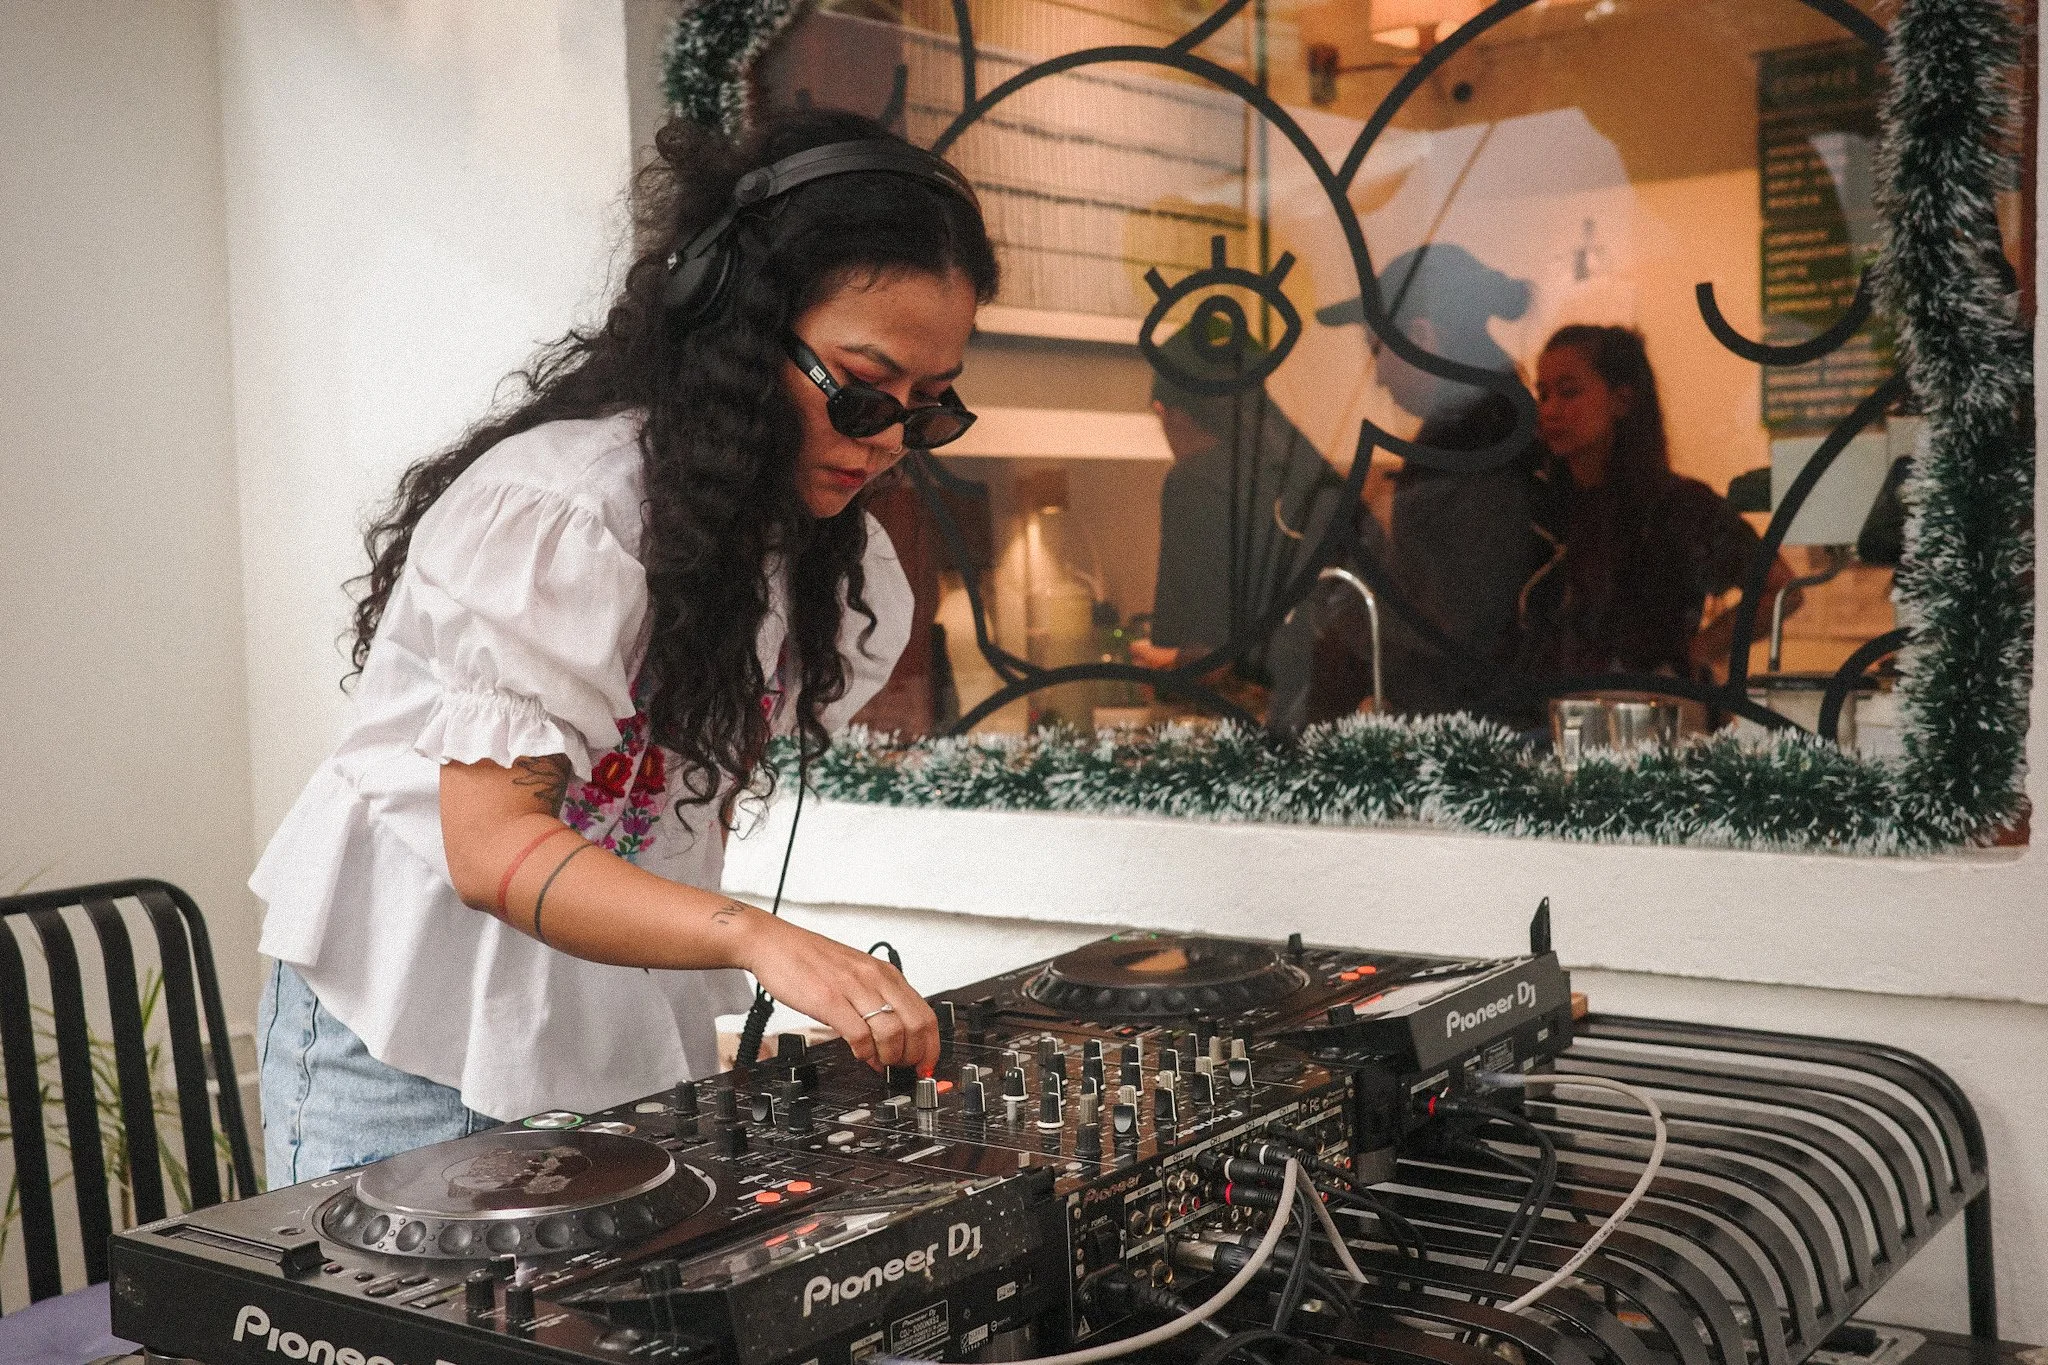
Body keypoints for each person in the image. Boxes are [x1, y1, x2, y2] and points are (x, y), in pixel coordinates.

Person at [250, 110, 997, 1184]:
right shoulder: (565, 510)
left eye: (928, 410)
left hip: (599, 1041)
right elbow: (495, 849)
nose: (886, 439)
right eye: (863, 388)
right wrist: (758, 940)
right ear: (738, 328)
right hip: (403, 1041)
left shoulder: (830, 562)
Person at [1316, 244, 1543, 719]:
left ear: (1421, 336)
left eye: (1377, 352)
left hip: (1475, 728)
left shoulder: (1481, 443)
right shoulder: (1491, 425)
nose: (1376, 377)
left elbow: (1457, 622)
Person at [1518, 324, 1797, 685]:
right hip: (1547, 715)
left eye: (1569, 393)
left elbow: (1781, 591)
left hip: (1648, 717)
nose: (1550, 410)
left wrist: (1696, 652)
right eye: (1543, 395)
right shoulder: (1540, 507)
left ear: (1622, 400)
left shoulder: (1676, 505)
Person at [1129, 322, 1360, 719]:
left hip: (1264, 734)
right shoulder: (1311, 472)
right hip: (1342, 720)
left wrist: (1166, 663)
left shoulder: (1195, 480)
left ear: (1168, 412)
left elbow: (1204, 657)